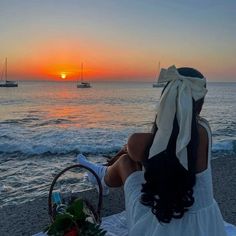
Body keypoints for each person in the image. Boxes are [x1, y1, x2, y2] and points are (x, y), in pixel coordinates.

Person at [77, 65, 227, 236]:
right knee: (140, 157)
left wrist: (126, 149)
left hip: (163, 227)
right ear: (199, 104)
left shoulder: (143, 141)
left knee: (126, 161)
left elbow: (138, 150)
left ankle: (101, 178)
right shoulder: (204, 129)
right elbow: (173, 143)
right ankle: (101, 176)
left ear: (166, 99)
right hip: (204, 224)